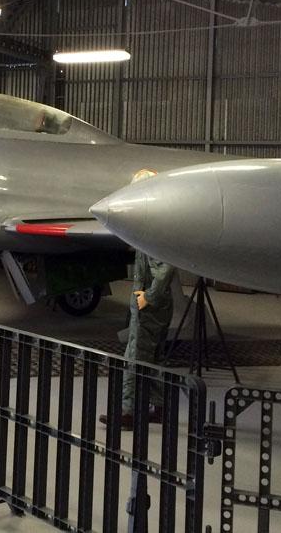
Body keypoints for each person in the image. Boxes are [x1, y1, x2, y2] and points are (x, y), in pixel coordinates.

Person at [101, 168, 180, 430]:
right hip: (159, 304)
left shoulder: (152, 229)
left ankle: (128, 413)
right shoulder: (159, 224)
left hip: (149, 305)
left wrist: (149, 297)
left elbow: (166, 267)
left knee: (134, 358)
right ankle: (159, 408)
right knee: (153, 357)